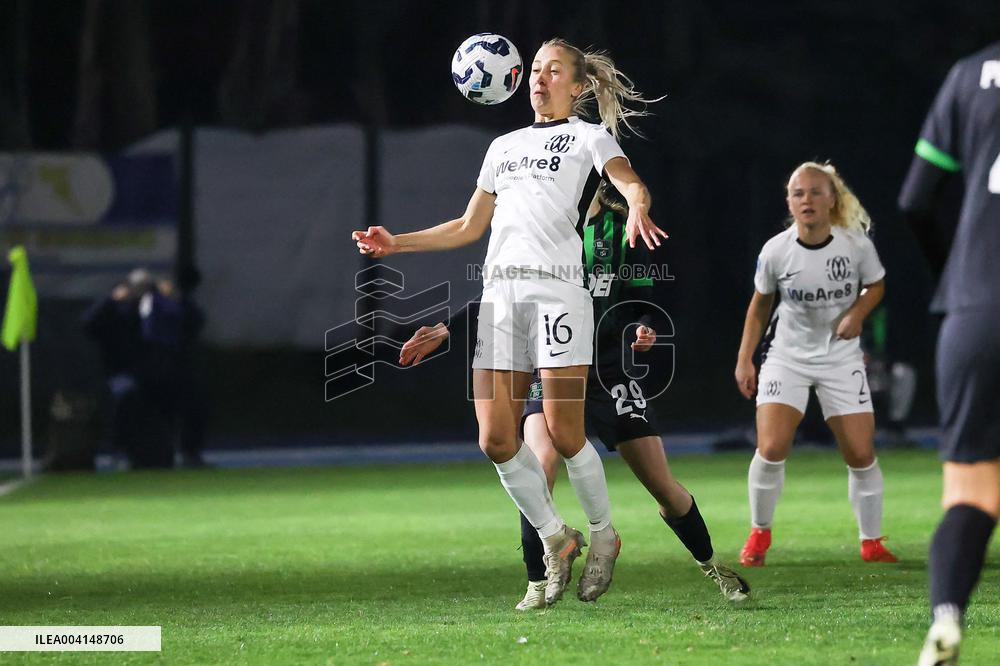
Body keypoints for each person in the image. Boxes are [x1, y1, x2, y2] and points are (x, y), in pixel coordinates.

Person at [351, 39, 667, 605]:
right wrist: (397, 242)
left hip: (558, 296)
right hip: (501, 297)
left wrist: (638, 202)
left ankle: (603, 537)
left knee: (567, 434)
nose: (541, 79)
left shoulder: (588, 137)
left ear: (577, 87)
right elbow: (469, 227)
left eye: (554, 71)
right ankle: (556, 537)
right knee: (496, 439)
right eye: (536, 71)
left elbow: (627, 179)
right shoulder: (502, 147)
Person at [400, 180, 750, 610]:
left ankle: (715, 567)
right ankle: (537, 579)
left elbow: (641, 297)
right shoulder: (541, 226)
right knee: (539, 466)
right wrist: (447, 327)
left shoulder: (621, 231)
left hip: (605, 369)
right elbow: (505, 291)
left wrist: (644, 327)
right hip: (546, 365)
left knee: (661, 485)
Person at [734, 161, 897, 567]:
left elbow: (875, 285)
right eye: (799, 193)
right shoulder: (776, 251)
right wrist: (744, 360)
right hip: (786, 356)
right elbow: (759, 308)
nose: (807, 200)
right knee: (771, 447)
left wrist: (857, 314)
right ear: (790, 202)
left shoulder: (855, 245)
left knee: (860, 452)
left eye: (816, 192)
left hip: (840, 358)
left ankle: (871, 542)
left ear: (832, 199)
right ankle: (759, 533)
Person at [899, 41, 1000, 666]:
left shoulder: (969, 74)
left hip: (975, 308)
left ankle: (945, 620)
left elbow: (916, 200)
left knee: (971, 491)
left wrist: (956, 278)